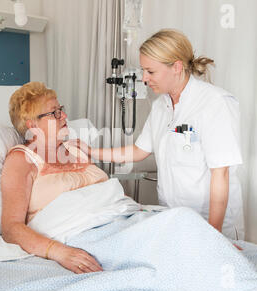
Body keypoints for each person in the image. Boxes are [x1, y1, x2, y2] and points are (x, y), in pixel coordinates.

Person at [69, 29, 245, 242]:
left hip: (210, 222)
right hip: (173, 216)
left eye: (150, 72)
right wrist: (91, 152)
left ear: (177, 67)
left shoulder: (214, 103)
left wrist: (213, 235)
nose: (144, 79)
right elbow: (139, 150)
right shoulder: (161, 106)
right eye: (144, 71)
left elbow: (221, 174)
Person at [1, 82, 108, 274]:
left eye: (61, 109)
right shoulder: (21, 160)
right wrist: (59, 252)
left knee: (176, 223)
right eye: (55, 112)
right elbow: (11, 228)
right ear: (32, 125)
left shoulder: (76, 149)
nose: (64, 116)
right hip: (83, 238)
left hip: (114, 221)